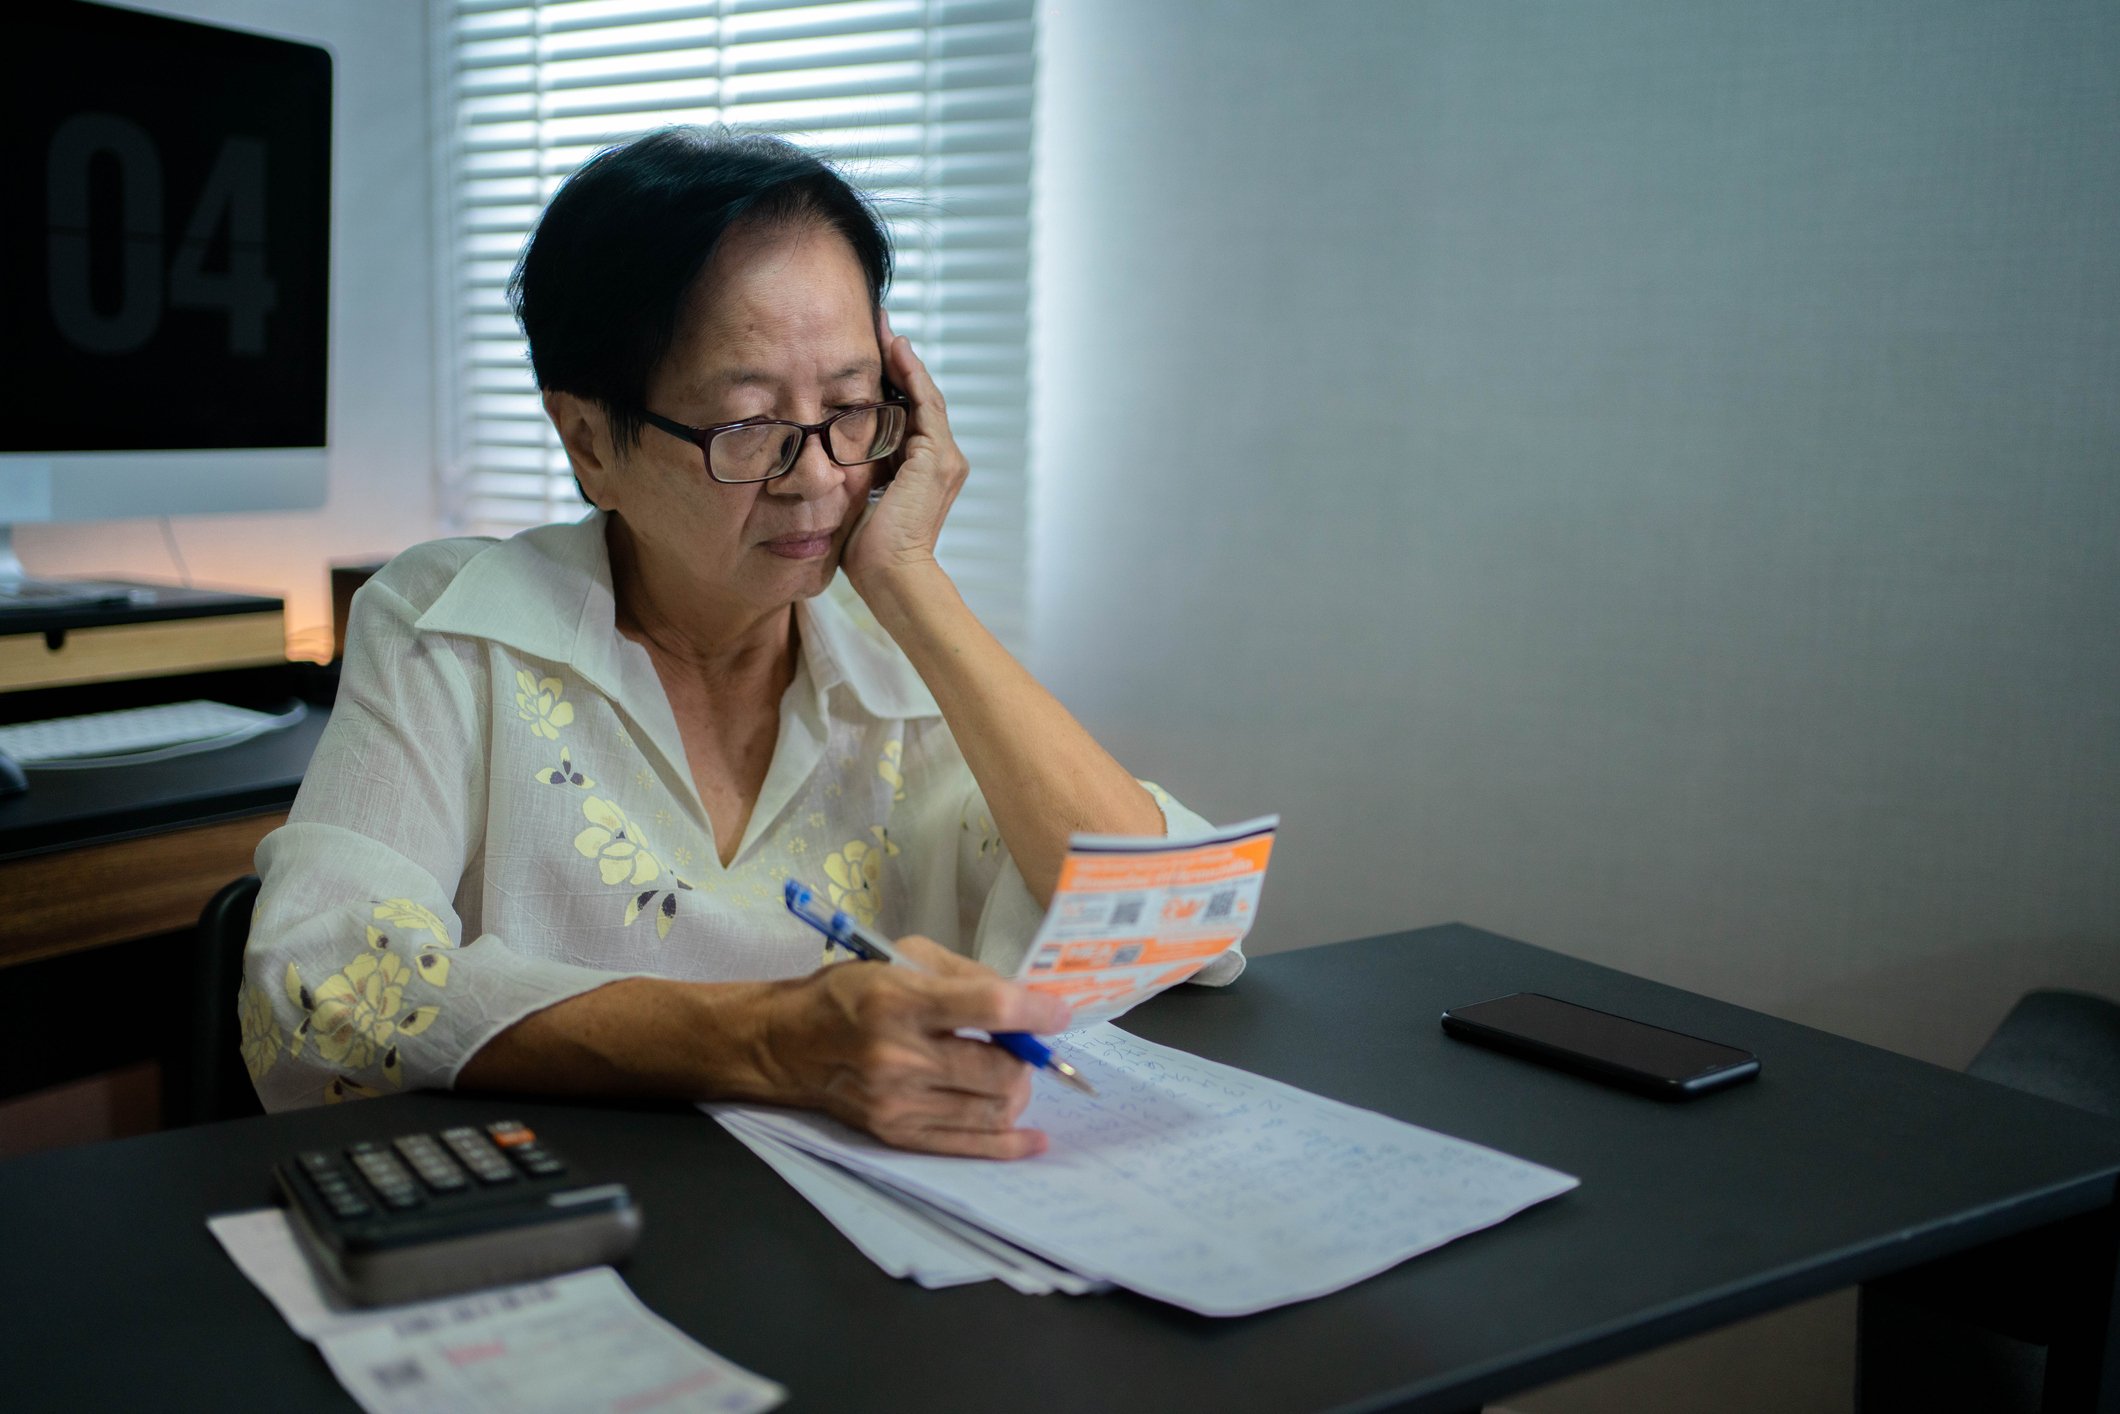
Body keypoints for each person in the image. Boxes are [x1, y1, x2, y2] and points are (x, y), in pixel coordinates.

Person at [240, 127, 1237, 1159]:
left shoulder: (899, 661)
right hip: (562, 1223)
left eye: (852, 408)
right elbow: (319, 979)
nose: (815, 477)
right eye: (747, 424)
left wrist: (911, 584)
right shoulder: (455, 625)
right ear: (589, 441)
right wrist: (767, 1038)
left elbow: (1170, 917)